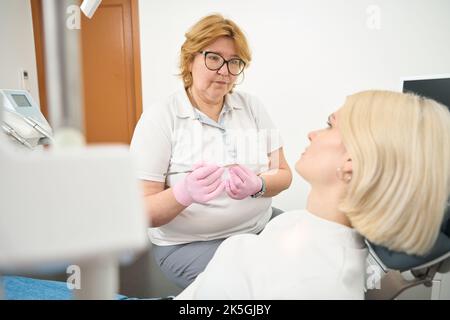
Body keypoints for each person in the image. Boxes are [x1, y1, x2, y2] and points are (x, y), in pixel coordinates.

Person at [175, 90, 450, 299]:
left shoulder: (314, 285)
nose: (311, 134)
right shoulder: (299, 223)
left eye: (330, 126)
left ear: (354, 162)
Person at [129, 14, 292, 289]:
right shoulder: (160, 118)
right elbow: (140, 210)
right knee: (254, 285)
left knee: (308, 255)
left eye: (234, 62)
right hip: (189, 244)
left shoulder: (253, 107)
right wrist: (183, 194)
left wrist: (260, 184)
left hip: (258, 228)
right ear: (190, 59)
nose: (225, 70)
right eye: (214, 58)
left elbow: (284, 174)